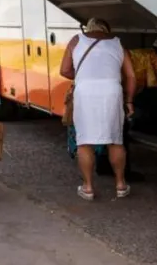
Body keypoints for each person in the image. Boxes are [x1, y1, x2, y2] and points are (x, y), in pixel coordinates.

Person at [59, 17, 136, 201]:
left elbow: (64, 70)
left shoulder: (76, 40)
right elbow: (131, 76)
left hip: (85, 92)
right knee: (115, 140)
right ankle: (120, 184)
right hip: (112, 91)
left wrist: (82, 75)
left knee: (85, 142)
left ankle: (88, 187)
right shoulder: (118, 44)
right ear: (106, 29)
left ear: (89, 28)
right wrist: (130, 101)